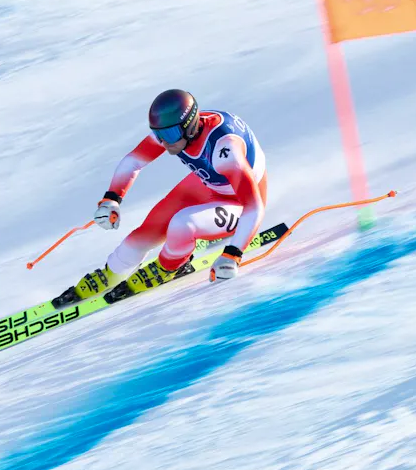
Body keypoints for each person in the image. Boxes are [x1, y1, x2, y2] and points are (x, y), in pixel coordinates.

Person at [52, 89, 267, 307]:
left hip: (239, 202)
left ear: (190, 126)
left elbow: (254, 206)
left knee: (182, 224)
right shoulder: (173, 131)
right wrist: (112, 199)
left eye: (171, 136)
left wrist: (232, 254)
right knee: (145, 234)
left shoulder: (225, 150)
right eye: (159, 135)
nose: (164, 143)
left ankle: (169, 267)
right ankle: (112, 272)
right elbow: (133, 161)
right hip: (208, 184)